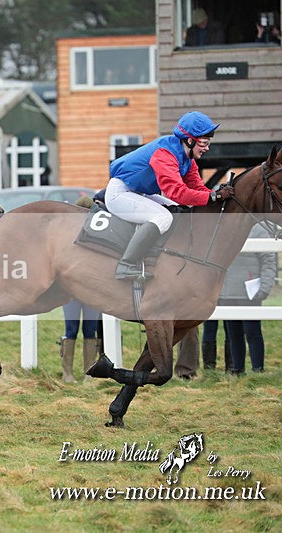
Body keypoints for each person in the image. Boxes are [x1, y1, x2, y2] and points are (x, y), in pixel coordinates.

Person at [105, 111, 234, 280]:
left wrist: (216, 194)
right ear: (189, 140)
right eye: (203, 143)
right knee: (163, 217)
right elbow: (177, 192)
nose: (207, 148)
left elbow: (197, 187)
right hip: (120, 193)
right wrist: (214, 197)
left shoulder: (187, 159)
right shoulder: (164, 154)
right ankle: (126, 265)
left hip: (137, 192)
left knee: (176, 210)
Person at [221, 223, 276, 374]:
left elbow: (268, 260)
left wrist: (265, 287)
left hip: (250, 292)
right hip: (227, 292)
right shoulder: (223, 228)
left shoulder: (258, 230)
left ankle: (258, 369)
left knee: (253, 332)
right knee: (233, 334)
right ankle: (237, 369)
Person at [59, 195, 103, 383]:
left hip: (89, 289)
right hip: (73, 290)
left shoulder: (99, 236)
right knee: (73, 329)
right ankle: (67, 373)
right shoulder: (66, 237)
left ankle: (88, 373)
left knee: (89, 330)